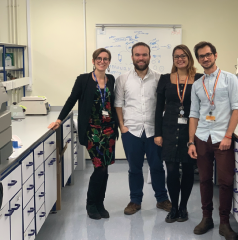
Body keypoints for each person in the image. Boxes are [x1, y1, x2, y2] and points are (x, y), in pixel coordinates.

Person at [48, 48, 119, 220]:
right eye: (99, 58)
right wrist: (59, 119)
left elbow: (111, 102)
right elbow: (72, 99)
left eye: (106, 59)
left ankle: (100, 203)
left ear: (109, 62)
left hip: (108, 130)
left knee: (105, 168)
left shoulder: (111, 79)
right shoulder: (84, 79)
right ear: (93, 61)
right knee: (99, 168)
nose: (102, 61)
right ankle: (90, 204)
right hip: (92, 130)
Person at [188, 41, 238, 240]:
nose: (205, 58)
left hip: (222, 138)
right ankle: (206, 218)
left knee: (226, 182)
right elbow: (193, 114)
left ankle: (225, 223)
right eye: (201, 56)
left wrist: (228, 136)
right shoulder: (197, 84)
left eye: (208, 54)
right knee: (204, 180)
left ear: (215, 55)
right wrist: (191, 142)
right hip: (202, 137)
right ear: (198, 59)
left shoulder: (230, 79)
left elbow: (237, 108)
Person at [115, 42, 171, 215]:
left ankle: (162, 199)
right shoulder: (122, 79)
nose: (141, 58)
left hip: (154, 131)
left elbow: (164, 104)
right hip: (131, 131)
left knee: (157, 167)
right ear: (132, 57)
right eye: (137, 55)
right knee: (134, 168)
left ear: (149, 56)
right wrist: (122, 127)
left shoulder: (160, 78)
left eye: (144, 55)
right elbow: (118, 104)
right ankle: (135, 201)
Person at [154, 45, 203, 223]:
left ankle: (183, 207)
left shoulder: (198, 79)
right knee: (172, 171)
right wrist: (157, 133)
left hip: (190, 131)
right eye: (176, 56)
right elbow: (159, 107)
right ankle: (173, 207)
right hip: (168, 129)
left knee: (188, 169)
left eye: (183, 56)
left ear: (189, 58)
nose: (180, 59)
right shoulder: (165, 79)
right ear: (173, 59)